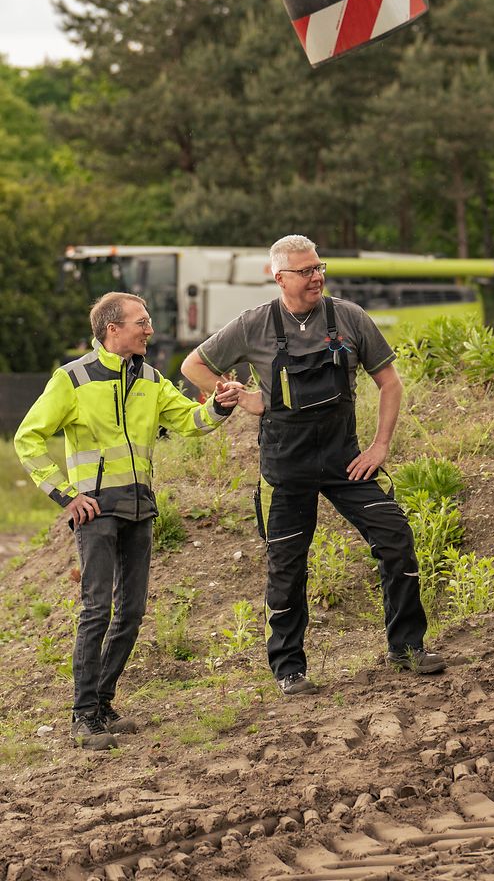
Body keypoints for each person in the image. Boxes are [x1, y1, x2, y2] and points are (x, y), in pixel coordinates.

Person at [181, 234, 445, 696]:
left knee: (395, 537)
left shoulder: (349, 317)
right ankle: (289, 670)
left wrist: (380, 446)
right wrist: (244, 399)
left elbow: (390, 383)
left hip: (347, 461)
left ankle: (407, 649)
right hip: (286, 467)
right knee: (287, 565)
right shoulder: (253, 325)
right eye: (305, 271)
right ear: (279, 277)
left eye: (319, 268)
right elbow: (193, 366)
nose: (316, 277)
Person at [15, 292, 241, 750]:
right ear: (112, 329)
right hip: (95, 511)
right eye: (142, 321)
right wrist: (65, 495)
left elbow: (189, 421)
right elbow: (27, 439)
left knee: (132, 613)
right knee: (97, 610)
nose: (150, 329)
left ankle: (102, 702)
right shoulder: (72, 379)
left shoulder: (152, 379)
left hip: (140, 508)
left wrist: (220, 406)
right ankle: (83, 717)